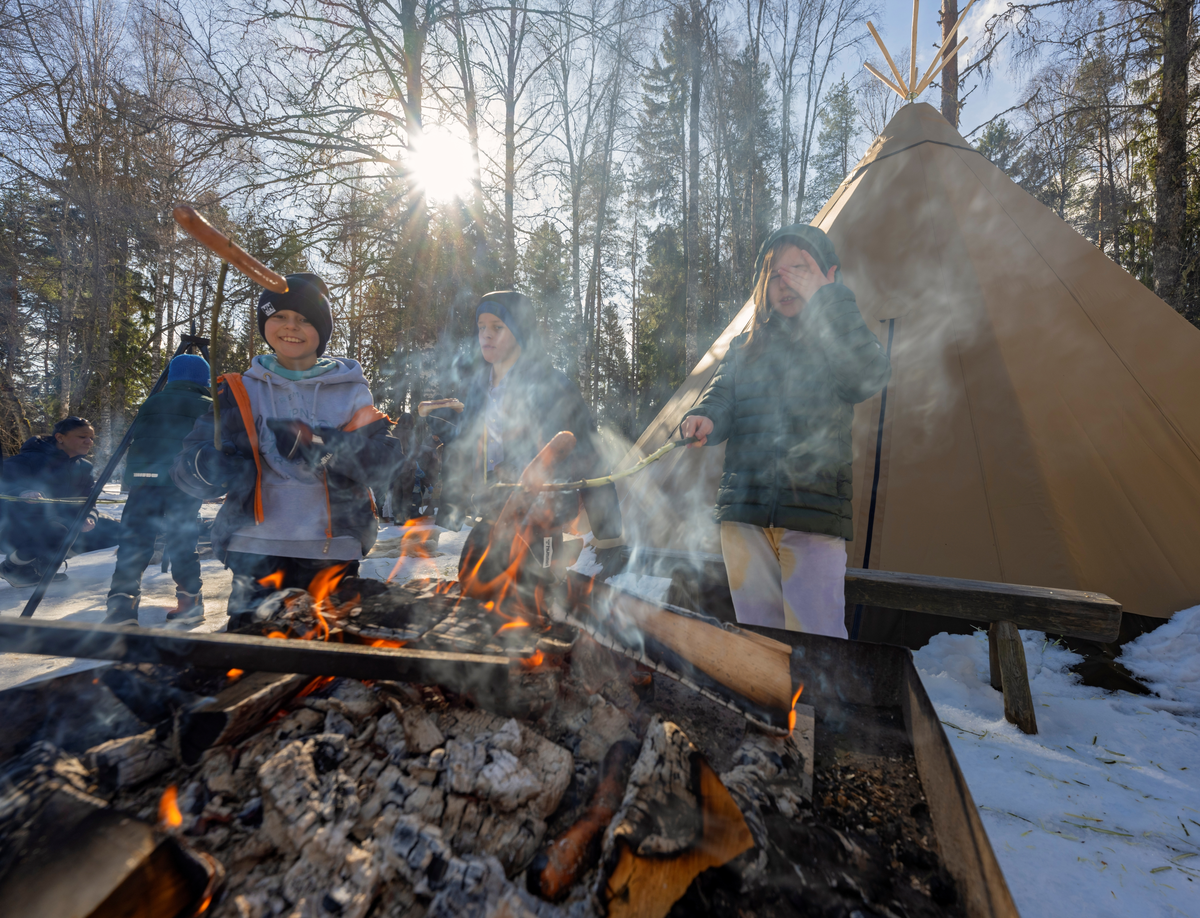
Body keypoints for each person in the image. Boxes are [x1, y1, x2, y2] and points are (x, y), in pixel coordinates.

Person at [680, 225, 891, 637]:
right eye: (776, 273)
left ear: (830, 275)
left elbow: (867, 377)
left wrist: (830, 302)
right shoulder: (745, 346)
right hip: (744, 515)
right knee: (759, 641)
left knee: (818, 639)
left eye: (801, 268)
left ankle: (817, 704)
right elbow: (721, 397)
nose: (787, 281)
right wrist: (705, 416)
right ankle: (768, 705)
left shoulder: (837, 341)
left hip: (812, 515)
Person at [172, 273, 404, 618]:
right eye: (279, 316)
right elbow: (185, 469)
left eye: (305, 319)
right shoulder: (237, 391)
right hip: (253, 548)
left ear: (321, 331)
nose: (290, 326)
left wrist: (320, 444)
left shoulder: (353, 392)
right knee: (252, 657)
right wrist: (208, 465)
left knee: (321, 661)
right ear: (265, 323)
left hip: (331, 550)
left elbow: (383, 464)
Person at [438, 290, 625, 587]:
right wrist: (453, 503)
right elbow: (467, 451)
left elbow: (592, 455)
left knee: (537, 589)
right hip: (496, 509)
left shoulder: (553, 386)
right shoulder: (477, 390)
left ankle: (555, 574)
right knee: (482, 586)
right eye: (481, 327)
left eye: (497, 327)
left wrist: (609, 534)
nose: (486, 335)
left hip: (543, 510)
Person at [104, 354, 214, 625]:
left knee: (135, 540)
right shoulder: (209, 406)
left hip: (144, 479)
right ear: (204, 380)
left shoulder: (151, 402)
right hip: (184, 481)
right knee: (182, 539)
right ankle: (190, 603)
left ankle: (122, 607)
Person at [0, 417, 122, 586]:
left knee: (116, 530)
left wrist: (90, 517)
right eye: (82, 437)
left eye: (92, 438)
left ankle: (43, 563)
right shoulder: (28, 459)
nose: (89, 441)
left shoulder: (84, 467)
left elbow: (88, 501)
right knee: (58, 530)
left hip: (61, 523)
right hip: (17, 527)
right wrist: (22, 492)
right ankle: (13, 566)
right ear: (60, 438)